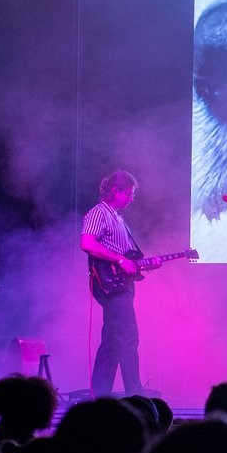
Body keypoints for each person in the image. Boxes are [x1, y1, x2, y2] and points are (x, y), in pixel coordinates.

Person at [81, 170, 145, 398]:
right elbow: (87, 243)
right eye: (129, 193)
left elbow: (127, 257)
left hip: (121, 284)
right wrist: (119, 260)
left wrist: (138, 263)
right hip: (110, 284)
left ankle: (99, 395)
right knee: (128, 336)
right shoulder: (99, 213)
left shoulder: (118, 218)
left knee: (112, 340)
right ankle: (135, 395)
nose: (132, 198)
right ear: (115, 191)